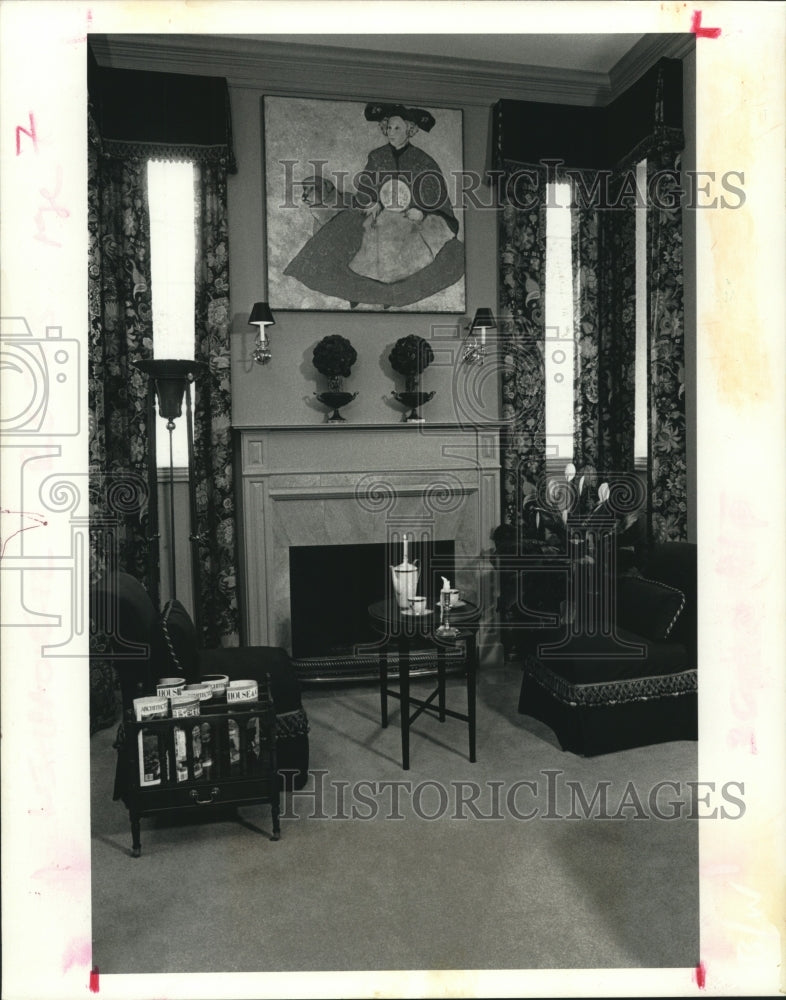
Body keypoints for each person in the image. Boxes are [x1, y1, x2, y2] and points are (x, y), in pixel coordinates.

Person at [283, 102, 464, 309]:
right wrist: (372, 201)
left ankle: (392, 291)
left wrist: (421, 210)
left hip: (412, 216)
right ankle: (359, 289)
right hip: (379, 213)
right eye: (388, 128)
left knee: (412, 241)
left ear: (409, 130)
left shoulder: (423, 161)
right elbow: (367, 187)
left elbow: (435, 193)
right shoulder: (377, 157)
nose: (391, 132)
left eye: (397, 128)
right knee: (349, 230)